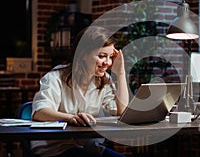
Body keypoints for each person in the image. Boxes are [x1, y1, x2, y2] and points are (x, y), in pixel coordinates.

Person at [31, 26, 129, 157]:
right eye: (102, 56)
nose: (107, 62)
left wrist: (120, 73)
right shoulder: (55, 78)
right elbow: (40, 112)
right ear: (82, 54)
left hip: (88, 146)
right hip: (55, 148)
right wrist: (71, 118)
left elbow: (121, 111)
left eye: (110, 57)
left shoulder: (104, 80)